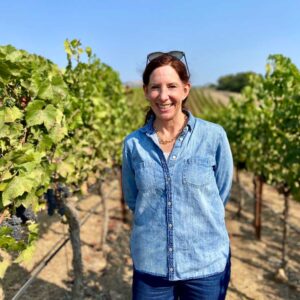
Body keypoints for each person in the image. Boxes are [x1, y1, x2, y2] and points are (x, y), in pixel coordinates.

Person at [122, 51, 233, 300]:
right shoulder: (133, 144)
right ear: (145, 91)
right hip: (152, 266)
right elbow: (133, 200)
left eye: (171, 86)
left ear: (185, 89)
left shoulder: (213, 137)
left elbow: (221, 195)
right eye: (155, 87)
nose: (163, 96)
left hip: (205, 265)